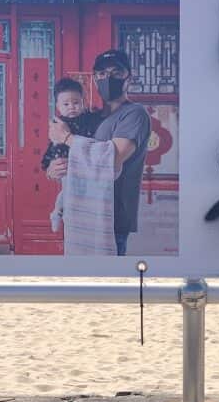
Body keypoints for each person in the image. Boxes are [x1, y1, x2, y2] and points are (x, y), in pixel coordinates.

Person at [46, 49, 151, 256]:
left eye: (116, 72)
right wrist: (52, 169)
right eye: (102, 73)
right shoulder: (89, 118)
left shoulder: (134, 114)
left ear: (128, 76)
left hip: (112, 218)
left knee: (108, 282)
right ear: (94, 79)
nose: (108, 78)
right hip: (80, 215)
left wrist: (66, 137)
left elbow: (111, 159)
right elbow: (72, 157)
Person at [41, 78, 104, 232]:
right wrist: (48, 164)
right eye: (66, 104)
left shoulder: (89, 119)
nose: (72, 107)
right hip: (67, 167)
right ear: (58, 107)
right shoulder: (57, 125)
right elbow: (52, 146)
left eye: (76, 103)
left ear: (83, 102)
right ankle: (58, 212)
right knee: (67, 191)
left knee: (85, 195)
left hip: (87, 167)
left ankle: (65, 213)